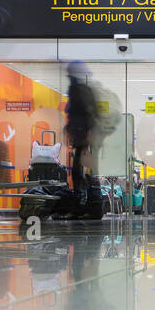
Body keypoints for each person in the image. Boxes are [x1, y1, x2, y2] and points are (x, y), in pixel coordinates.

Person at [63, 61, 99, 217]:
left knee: (80, 171)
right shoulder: (80, 90)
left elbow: (86, 114)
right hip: (83, 135)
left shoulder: (79, 91)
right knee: (81, 170)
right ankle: (88, 204)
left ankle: (84, 205)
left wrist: (86, 135)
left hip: (84, 135)